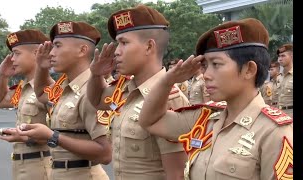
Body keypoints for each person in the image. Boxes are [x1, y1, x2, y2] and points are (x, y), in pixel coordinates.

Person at [138, 18, 293, 180]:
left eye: (216, 64)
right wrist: (167, 81)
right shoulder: (205, 118)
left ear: (249, 69)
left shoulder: (274, 132)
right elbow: (150, 121)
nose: (206, 75)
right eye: (205, 66)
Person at [87, 4, 190, 180]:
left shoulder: (169, 98)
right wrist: (96, 75)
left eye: (124, 43)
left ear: (149, 47)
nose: (117, 52)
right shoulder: (126, 90)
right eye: (118, 43)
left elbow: (177, 174)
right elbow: (97, 100)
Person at [17, 21, 111, 179]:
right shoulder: (65, 87)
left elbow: (105, 153)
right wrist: (41, 66)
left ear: (82, 50)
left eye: (58, 46)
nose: (51, 53)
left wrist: (53, 137)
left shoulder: (92, 91)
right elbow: (41, 94)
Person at [0, 29, 52, 180]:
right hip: (22, 165)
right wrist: (3, 75)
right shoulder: (24, 87)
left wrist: (24, 137)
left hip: (42, 165)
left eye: (17, 53)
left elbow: (60, 135)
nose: (12, 59)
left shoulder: (50, 88)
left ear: (36, 53)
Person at [277, 43, 293, 117]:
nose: (280, 59)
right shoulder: (279, 77)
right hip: (280, 115)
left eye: (283, 56)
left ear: (291, 56)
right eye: (279, 56)